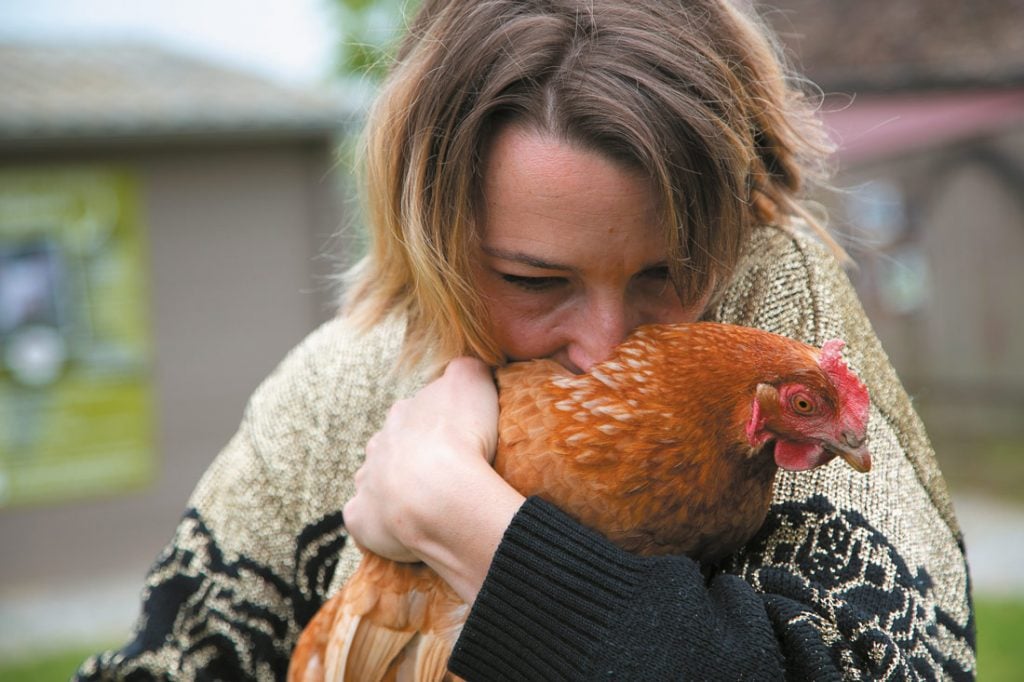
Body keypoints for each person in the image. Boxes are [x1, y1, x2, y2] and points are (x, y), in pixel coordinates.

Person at [76, 0, 975, 679]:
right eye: (534, 281)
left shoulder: (779, 316)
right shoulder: (335, 390)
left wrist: (460, 516)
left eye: (667, 270)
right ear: (432, 242)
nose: (603, 340)